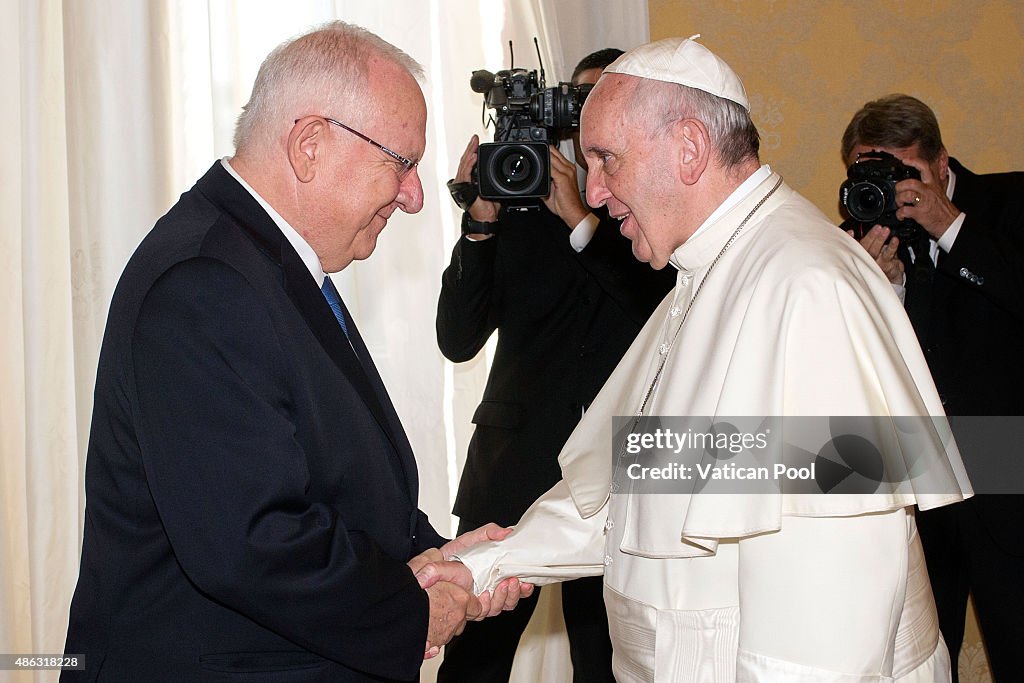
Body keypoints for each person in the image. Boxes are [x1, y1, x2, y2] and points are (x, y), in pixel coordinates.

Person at [439, 37, 974, 681]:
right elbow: (633, 495)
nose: (597, 191)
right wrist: (478, 568)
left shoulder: (807, 289)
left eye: (607, 159)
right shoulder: (709, 271)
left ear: (689, 148)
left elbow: (828, 631)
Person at [61, 21, 529, 682]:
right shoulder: (205, 283)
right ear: (310, 144)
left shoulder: (261, 263)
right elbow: (250, 541)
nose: (416, 196)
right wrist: (413, 609)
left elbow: (323, 482)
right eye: (403, 161)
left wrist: (441, 557)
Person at [436, 48, 675, 682]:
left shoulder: (646, 220)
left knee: (608, 653)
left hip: (618, 469)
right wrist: (480, 225)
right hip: (514, 462)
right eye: (583, 104)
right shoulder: (515, 194)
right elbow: (457, 339)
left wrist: (577, 215)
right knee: (476, 655)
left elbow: (653, 314)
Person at [841, 94, 1024, 682]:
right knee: (914, 661)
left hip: (1011, 477)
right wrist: (882, 291)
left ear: (942, 164)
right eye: (868, 176)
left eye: (905, 174)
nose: (890, 191)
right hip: (915, 482)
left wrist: (949, 227)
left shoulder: (1010, 203)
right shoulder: (856, 240)